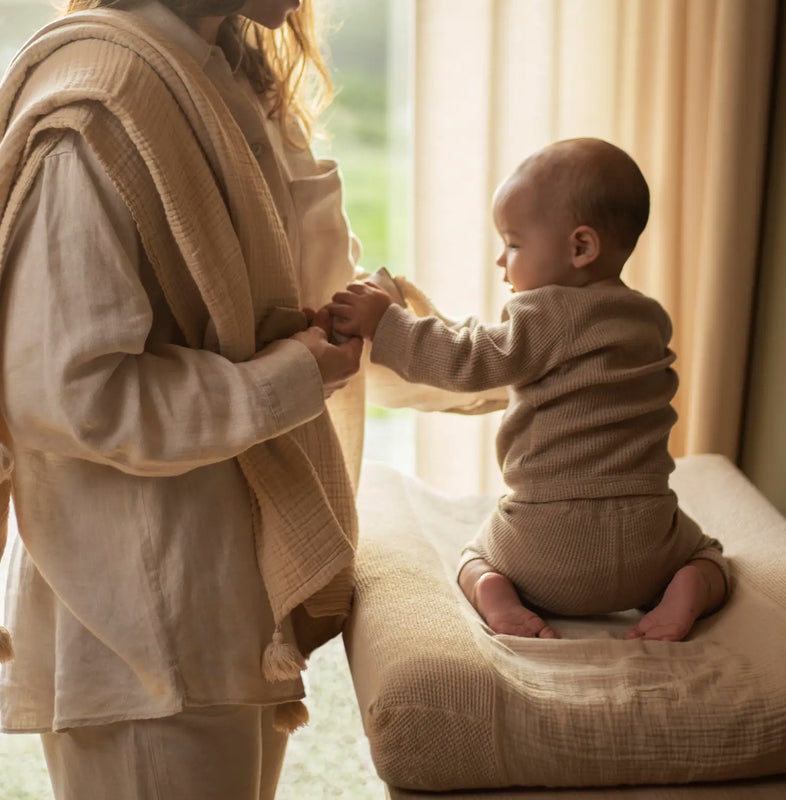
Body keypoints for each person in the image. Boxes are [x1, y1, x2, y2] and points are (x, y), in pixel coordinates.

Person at [0, 1, 364, 798]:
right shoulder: (100, 110)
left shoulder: (226, 82)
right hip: (144, 618)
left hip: (228, 596)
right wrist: (293, 378)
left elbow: (301, 305)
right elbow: (68, 393)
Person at [329, 137, 730, 643]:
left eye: (513, 244)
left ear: (581, 247)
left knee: (473, 557)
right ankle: (686, 592)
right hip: (648, 542)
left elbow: (467, 358)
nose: (502, 261)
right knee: (710, 556)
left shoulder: (543, 313)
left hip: (546, 548)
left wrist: (387, 323)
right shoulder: (648, 319)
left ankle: (499, 598)